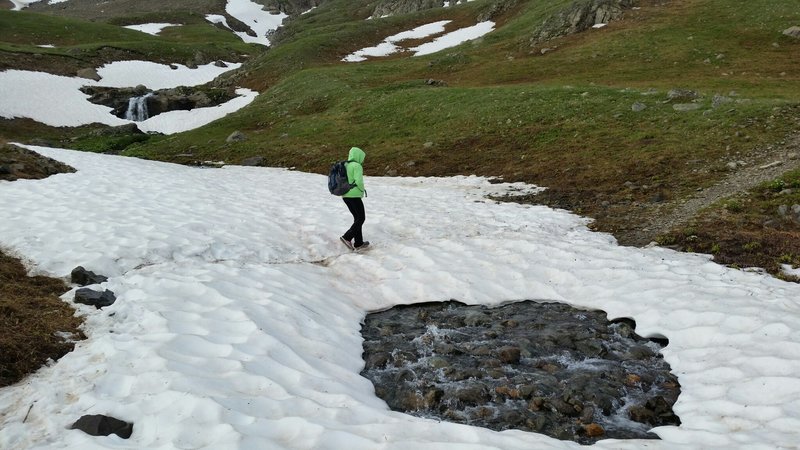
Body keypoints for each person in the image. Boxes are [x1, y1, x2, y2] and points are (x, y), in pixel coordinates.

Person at [340, 146, 369, 251]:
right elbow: (359, 182)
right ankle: (347, 237)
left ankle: (358, 243)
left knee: (357, 219)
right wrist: (362, 190)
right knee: (361, 218)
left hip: (345, 195)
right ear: (359, 156)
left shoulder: (345, 165)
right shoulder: (357, 166)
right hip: (354, 196)